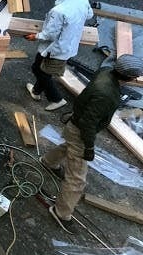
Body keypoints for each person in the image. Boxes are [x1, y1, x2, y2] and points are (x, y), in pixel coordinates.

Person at [41, 54, 143, 232]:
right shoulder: (106, 94)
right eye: (135, 76)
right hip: (81, 132)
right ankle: (61, 212)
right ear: (129, 77)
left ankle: (48, 161)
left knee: (68, 147)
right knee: (77, 179)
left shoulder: (105, 72)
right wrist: (88, 146)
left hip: (75, 125)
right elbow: (88, 124)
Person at [25, 0, 94, 111]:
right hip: (68, 45)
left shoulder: (58, 11)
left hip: (55, 49)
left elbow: (50, 34)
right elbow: (89, 15)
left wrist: (35, 36)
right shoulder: (83, 1)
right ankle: (36, 92)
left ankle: (57, 99)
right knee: (42, 70)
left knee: (40, 70)